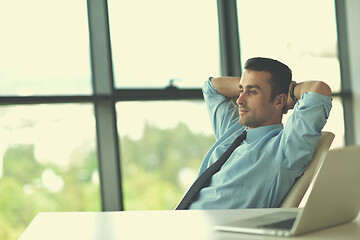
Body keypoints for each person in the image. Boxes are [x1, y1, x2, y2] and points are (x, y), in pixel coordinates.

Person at [181, 57, 332, 209]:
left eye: (252, 92)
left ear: (279, 102)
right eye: (241, 90)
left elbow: (319, 90)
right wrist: (250, 85)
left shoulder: (284, 148)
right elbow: (212, 88)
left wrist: (290, 91)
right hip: (182, 221)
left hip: (215, 230)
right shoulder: (233, 130)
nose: (240, 99)